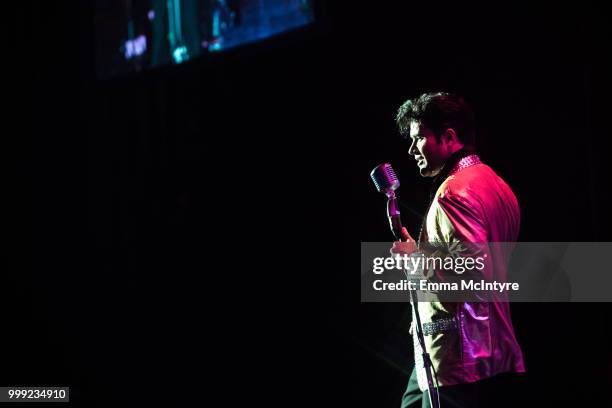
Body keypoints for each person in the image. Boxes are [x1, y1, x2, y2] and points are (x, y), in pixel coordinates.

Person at [391, 92, 525, 407]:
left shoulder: (455, 192)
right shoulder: (496, 184)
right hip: (479, 349)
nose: (411, 150)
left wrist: (415, 259)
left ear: (449, 137)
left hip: (459, 358)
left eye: (419, 138)